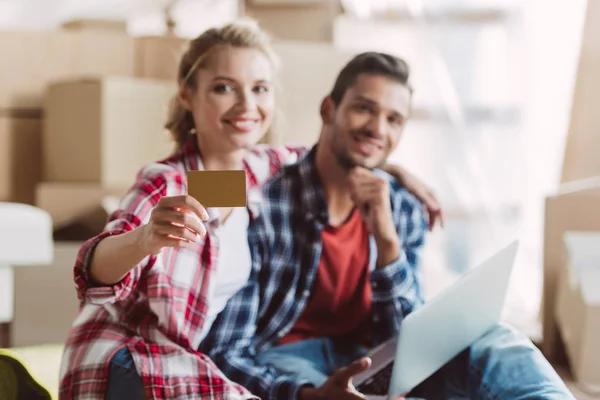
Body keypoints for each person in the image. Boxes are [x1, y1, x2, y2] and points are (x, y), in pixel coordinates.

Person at [55, 20, 442, 400]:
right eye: (224, 88)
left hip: (185, 359)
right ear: (188, 95)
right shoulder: (167, 183)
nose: (247, 105)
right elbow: (92, 274)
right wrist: (144, 238)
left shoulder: (254, 173)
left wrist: (398, 173)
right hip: (128, 355)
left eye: (260, 89)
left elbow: (338, 152)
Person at [199, 51, 575, 400]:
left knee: (500, 341)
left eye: (394, 119)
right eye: (364, 109)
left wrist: (387, 240)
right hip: (288, 357)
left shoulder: (403, 205)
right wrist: (304, 396)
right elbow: (224, 351)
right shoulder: (258, 197)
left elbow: (406, 336)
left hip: (377, 355)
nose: (377, 128)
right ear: (329, 109)